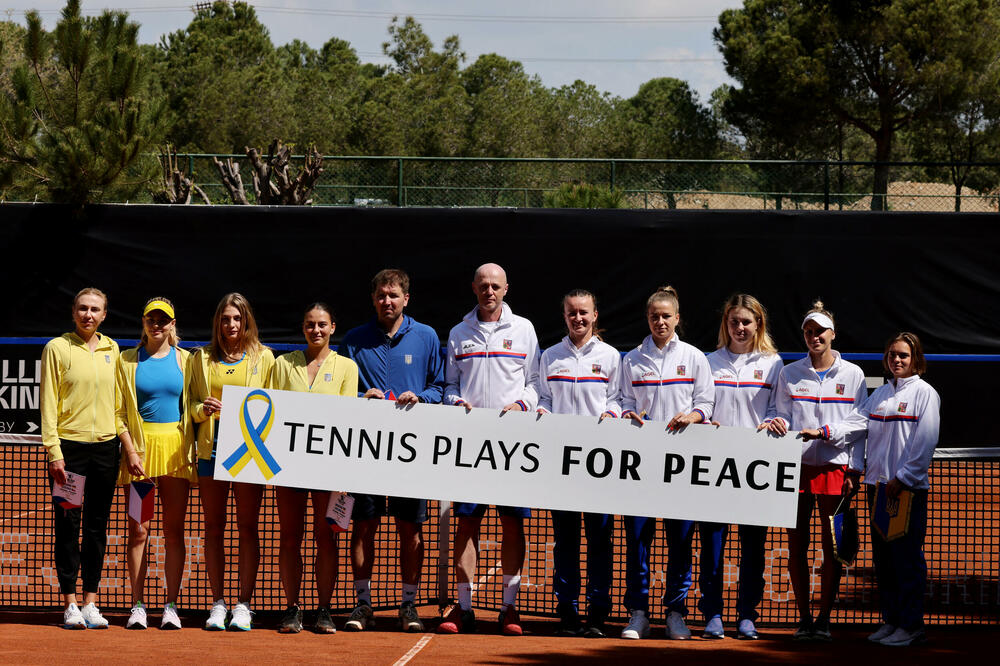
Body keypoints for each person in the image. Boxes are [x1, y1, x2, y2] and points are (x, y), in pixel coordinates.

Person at [800, 332, 939, 647]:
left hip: (905, 491)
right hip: (878, 489)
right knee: (885, 561)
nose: (897, 360)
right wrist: (821, 431)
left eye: (903, 355)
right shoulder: (881, 395)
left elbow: (925, 442)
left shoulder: (925, 394)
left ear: (915, 358)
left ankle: (911, 625)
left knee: (906, 561)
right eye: (892, 355)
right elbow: (854, 422)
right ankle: (891, 622)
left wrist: (903, 478)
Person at [338, 269, 445, 634]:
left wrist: (422, 397)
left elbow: (439, 387)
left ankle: (409, 604)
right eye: (381, 295)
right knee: (363, 526)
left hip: (410, 454)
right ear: (374, 299)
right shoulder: (353, 341)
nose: (387, 301)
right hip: (364, 452)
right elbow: (340, 392)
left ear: (406, 299)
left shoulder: (427, 337)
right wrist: (358, 397)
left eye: (394, 295)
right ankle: (363, 603)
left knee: (409, 529)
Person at [437, 263, 540, 636]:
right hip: (469, 445)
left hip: (513, 446)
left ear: (506, 289)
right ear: (474, 289)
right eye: (483, 286)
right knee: (467, 524)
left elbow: (534, 383)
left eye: (495, 286)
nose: (489, 291)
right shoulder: (458, 332)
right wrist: (456, 402)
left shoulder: (524, 329)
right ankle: (463, 608)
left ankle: (509, 609)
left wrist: (521, 406)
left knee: (512, 523)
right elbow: (449, 384)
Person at [761, 300, 867, 641]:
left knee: (831, 547)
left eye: (819, 331)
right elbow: (780, 414)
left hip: (835, 469)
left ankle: (824, 619)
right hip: (797, 468)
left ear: (832, 334)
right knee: (796, 546)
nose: (813, 337)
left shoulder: (853, 375)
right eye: (808, 331)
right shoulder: (789, 373)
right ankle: (804, 619)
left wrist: (854, 467)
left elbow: (860, 424)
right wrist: (776, 422)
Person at [618, 286, 715, 641]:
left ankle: (675, 613)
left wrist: (693, 415)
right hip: (640, 468)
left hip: (683, 466)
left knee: (680, 542)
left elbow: (707, 401)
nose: (660, 321)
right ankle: (638, 613)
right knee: (638, 541)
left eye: (666, 316)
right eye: (654, 316)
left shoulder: (694, 357)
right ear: (648, 318)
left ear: (677, 318)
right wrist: (629, 413)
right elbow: (622, 400)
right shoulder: (632, 359)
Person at [535, 289, 620, 638]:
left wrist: (608, 416)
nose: (578, 318)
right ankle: (567, 611)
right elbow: (543, 398)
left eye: (584, 312)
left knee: (600, 541)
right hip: (562, 467)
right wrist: (542, 412)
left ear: (595, 315)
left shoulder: (613, 357)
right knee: (565, 541)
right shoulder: (551, 356)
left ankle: (598, 613)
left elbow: (618, 400)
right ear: (564, 316)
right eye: (572, 313)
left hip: (600, 467)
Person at [271, 303, 358, 634]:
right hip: (287, 467)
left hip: (328, 467)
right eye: (310, 325)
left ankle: (324, 609)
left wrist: (343, 474)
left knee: (327, 538)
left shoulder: (347, 367)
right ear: (303, 328)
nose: (316, 330)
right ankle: (293, 608)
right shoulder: (283, 365)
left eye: (322, 325)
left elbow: (347, 418)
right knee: (290, 538)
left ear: (333, 327)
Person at [190, 293, 275, 631]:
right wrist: (202, 409)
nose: (231, 325)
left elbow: (273, 406)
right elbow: (191, 404)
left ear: (246, 321)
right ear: (218, 322)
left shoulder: (265, 359)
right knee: (213, 528)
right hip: (210, 451)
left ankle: (243, 604)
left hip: (248, 455)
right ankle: (217, 604)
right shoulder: (201, 359)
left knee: (248, 528)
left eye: (237, 318)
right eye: (225, 319)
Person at [40, 287, 121, 630]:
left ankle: (91, 602)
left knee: (97, 527)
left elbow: (118, 404)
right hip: (69, 454)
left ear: (104, 315)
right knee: (68, 526)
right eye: (83, 309)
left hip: (105, 451)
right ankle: (70, 603)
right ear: (74, 312)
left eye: (95, 309)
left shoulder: (112, 349)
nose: (89, 314)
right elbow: (47, 403)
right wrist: (54, 451)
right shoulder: (57, 348)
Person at [706, 294, 783, 640]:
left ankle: (746, 615)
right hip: (713, 467)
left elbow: (778, 409)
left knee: (753, 546)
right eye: (734, 321)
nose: (740, 327)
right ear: (726, 324)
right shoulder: (708, 362)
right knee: (713, 545)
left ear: (758, 325)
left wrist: (772, 422)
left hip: (757, 468)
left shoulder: (773, 364)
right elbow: (702, 405)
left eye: (746, 322)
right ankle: (712, 614)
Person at [117, 298, 197, 630]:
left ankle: (171, 606)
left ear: (173, 324)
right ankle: (137, 605)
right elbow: (119, 412)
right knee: (139, 531)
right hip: (141, 456)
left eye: (164, 320)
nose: (157, 325)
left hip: (177, 454)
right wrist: (132, 451)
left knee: (173, 531)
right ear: (144, 321)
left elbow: (193, 404)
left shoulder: (187, 360)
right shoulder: (127, 361)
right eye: (152, 319)